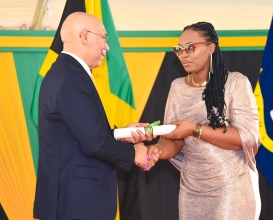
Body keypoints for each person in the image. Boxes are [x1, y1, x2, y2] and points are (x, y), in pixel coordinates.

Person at [33, 12, 154, 220]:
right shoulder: (72, 77)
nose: (107, 46)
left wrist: (123, 133)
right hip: (77, 201)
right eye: (104, 38)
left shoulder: (64, 72)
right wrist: (135, 154)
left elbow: (81, 132)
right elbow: (95, 142)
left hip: (72, 198)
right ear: (84, 36)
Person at [147, 22, 261, 220]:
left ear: (210, 47)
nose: (183, 54)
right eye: (179, 49)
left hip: (232, 187)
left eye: (190, 47)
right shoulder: (177, 87)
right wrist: (159, 150)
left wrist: (194, 129)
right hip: (191, 190)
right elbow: (173, 137)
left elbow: (246, 137)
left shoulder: (235, 83)